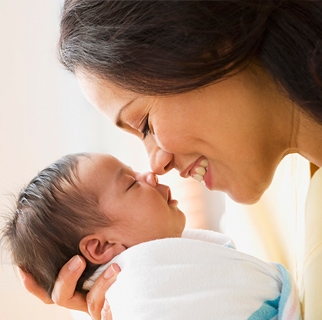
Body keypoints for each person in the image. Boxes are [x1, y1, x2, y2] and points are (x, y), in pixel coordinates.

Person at [20, 1, 322, 319]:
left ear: (210, 42)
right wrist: (146, 300)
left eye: (146, 124)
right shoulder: (256, 214)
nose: (156, 166)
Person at [1, 152, 302, 319]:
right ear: (102, 246)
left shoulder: (156, 274)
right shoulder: (136, 292)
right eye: (131, 184)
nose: (150, 174)